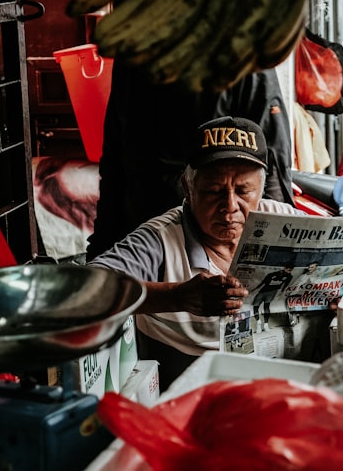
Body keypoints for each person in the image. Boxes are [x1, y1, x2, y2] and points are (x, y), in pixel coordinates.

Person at [88, 116, 301, 388]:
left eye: (244, 191)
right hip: (189, 393)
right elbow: (86, 289)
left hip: (278, 384)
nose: (230, 206)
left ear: (261, 189)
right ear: (188, 188)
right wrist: (177, 297)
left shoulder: (283, 221)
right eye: (214, 191)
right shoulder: (161, 239)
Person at [87, 64, 294, 260]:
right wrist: (100, 249)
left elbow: (270, 162)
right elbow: (114, 163)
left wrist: (277, 248)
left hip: (211, 233)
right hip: (143, 227)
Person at [251, 264, 294, 332]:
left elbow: (285, 285)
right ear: (284, 268)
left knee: (266, 306)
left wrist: (281, 293)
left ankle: (266, 324)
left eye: (291, 270)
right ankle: (258, 322)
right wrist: (255, 289)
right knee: (255, 306)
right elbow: (263, 283)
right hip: (263, 291)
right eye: (288, 270)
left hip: (272, 292)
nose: (289, 272)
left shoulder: (289, 276)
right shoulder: (273, 274)